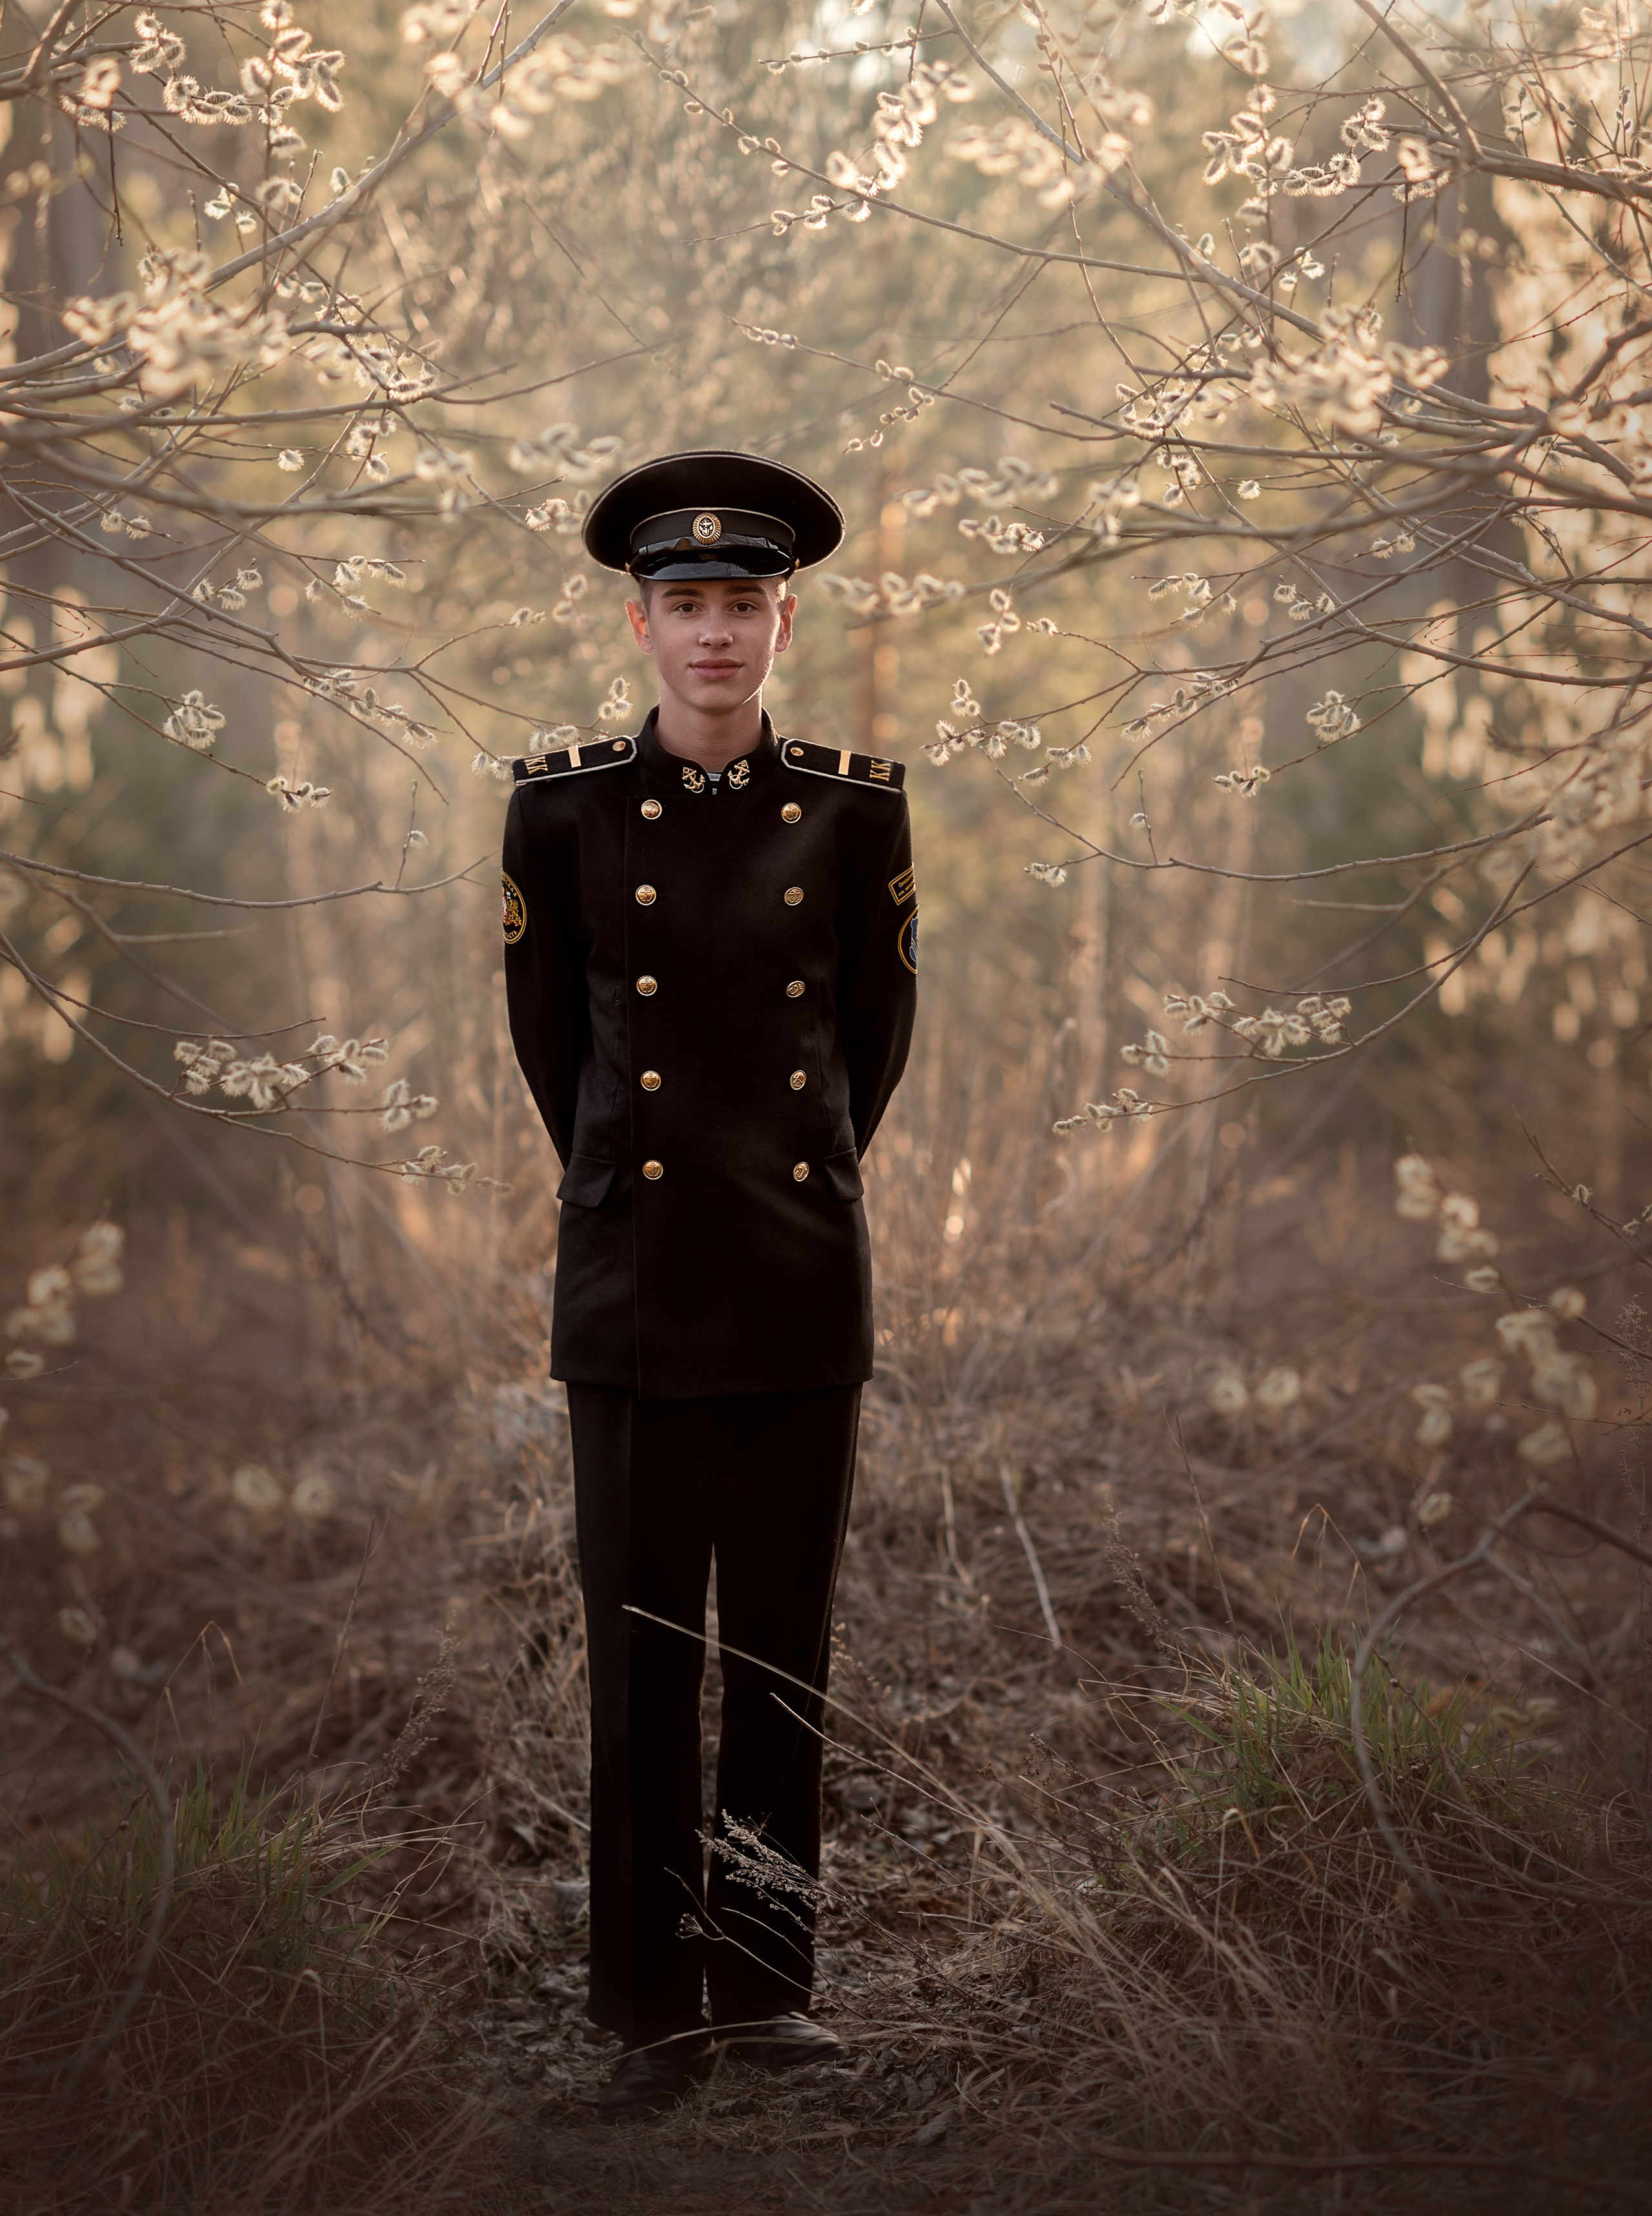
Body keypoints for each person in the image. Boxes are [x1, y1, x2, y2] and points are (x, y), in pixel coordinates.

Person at [501, 451, 918, 2122]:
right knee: (641, 1656)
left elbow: (872, 1045)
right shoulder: (559, 811)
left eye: (744, 603)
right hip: (638, 1292)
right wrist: (631, 1178)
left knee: (780, 1656)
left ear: (782, 617)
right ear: (642, 622)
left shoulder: (857, 808)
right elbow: (551, 1045)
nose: (717, 634)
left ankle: (765, 1985)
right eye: (688, 604)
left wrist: (792, 1167)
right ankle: (645, 2008)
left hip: (800, 1282)